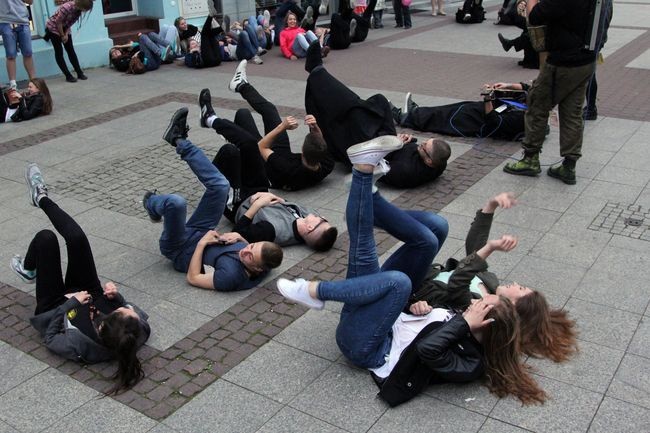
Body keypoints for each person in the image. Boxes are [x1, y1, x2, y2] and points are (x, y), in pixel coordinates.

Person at [277, 138, 546, 407]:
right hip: (384, 316)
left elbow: (427, 349)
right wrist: (489, 208)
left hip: (367, 345)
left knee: (397, 278)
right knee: (421, 232)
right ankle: (365, 181)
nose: (477, 302)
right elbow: (467, 264)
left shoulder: (471, 360)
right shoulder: (482, 295)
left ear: (493, 319)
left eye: (484, 304)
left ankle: (317, 290)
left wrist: (460, 322)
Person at [12, 163, 151, 392]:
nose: (131, 307)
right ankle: (41, 197)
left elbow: (49, 337)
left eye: (123, 309)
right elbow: (129, 309)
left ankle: (29, 269)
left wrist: (71, 303)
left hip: (56, 304)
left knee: (46, 239)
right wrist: (116, 297)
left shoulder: (80, 346)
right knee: (76, 238)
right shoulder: (138, 330)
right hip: (92, 293)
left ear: (105, 323)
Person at [409, 192, 577, 363]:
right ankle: (382, 215)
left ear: (512, 305)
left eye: (519, 289)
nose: (515, 283)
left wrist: (490, 248)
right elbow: (475, 250)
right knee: (438, 224)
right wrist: (491, 206)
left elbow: (458, 281)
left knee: (428, 240)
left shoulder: (477, 308)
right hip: (424, 269)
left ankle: (381, 214)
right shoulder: (490, 283)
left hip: (410, 284)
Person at [143, 107, 283, 291]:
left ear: (256, 268)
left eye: (250, 255)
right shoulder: (263, 263)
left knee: (176, 203)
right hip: (203, 229)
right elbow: (256, 252)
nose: (246, 249)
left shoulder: (232, 277)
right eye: (252, 246)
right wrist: (240, 236)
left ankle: (150, 203)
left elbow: (193, 278)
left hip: (179, 247)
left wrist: (202, 243)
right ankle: (178, 139)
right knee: (221, 186)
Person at [303, 45, 450, 188]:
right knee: (380, 102)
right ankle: (318, 73)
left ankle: (317, 72)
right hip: (389, 141)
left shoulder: (405, 172)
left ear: (429, 162)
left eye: (424, 147)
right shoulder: (437, 161)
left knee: (356, 114)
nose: (422, 145)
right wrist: (407, 140)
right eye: (425, 143)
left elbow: (376, 170)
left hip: (371, 151)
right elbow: (415, 150)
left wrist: (392, 145)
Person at [503, 0, 598, 185]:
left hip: (563, 60)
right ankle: (569, 166)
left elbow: (535, 16)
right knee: (572, 112)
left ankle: (530, 159)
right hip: (586, 60)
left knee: (537, 103)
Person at [207, 61, 334, 191]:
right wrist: (315, 126)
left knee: (243, 115)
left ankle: (217, 125)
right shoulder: (327, 163)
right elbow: (320, 143)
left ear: (303, 152)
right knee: (270, 110)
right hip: (283, 154)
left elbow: (261, 147)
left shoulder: (288, 169)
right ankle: (240, 85)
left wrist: (282, 127)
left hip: (264, 165)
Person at [392, 86, 526, 140]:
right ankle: (416, 112)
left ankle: (403, 117)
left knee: (443, 118)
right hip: (477, 111)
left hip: (474, 123)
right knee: (446, 109)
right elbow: (525, 88)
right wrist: (505, 87)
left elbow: (494, 123)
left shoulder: (522, 117)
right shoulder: (527, 106)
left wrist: (488, 97)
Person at [43, 0, 94, 83]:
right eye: (85, 9)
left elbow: (70, 23)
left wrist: (66, 34)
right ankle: (68, 75)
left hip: (65, 28)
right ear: (82, 5)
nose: (85, 11)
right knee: (59, 52)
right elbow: (58, 22)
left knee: (70, 50)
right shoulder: (66, 7)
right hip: (53, 28)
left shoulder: (78, 11)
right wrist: (62, 35)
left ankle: (79, 72)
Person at [0, 0, 36, 89]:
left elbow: (30, 2)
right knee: (11, 54)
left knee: (28, 52)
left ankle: (34, 81)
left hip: (22, 20)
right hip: (5, 21)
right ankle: (13, 85)